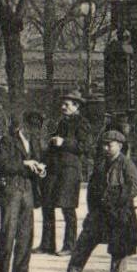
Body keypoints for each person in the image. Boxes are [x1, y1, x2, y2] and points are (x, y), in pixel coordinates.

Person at [51, 129, 137, 272]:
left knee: (119, 248)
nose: (106, 148)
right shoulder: (101, 164)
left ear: (119, 146)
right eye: (104, 145)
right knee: (84, 242)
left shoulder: (126, 164)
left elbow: (135, 188)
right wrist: (93, 210)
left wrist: (117, 199)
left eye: (109, 145)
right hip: (99, 213)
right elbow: (93, 188)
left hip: (119, 213)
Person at [0, 114, 46, 272]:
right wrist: (24, 163)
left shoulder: (35, 142)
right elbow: (0, 165)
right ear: (24, 126)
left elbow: (40, 160)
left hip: (28, 189)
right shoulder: (7, 140)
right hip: (11, 190)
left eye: (38, 128)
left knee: (26, 234)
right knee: (8, 233)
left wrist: (40, 167)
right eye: (33, 128)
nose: (36, 132)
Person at [39, 93, 91, 255]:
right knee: (47, 206)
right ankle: (47, 244)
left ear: (77, 106)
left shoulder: (82, 123)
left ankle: (70, 246)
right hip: (54, 170)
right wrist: (44, 162)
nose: (63, 107)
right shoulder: (62, 122)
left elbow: (85, 146)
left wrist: (65, 143)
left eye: (67, 105)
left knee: (68, 208)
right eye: (62, 104)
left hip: (69, 171)